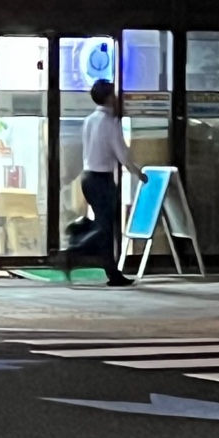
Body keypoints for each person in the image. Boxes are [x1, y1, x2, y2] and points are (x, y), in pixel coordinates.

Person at [65, 79, 144, 287]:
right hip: (102, 180)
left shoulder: (90, 120)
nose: (117, 99)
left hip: (88, 177)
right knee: (106, 227)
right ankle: (74, 249)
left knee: (105, 226)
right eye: (114, 95)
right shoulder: (110, 122)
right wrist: (137, 172)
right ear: (109, 98)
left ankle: (112, 272)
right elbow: (121, 153)